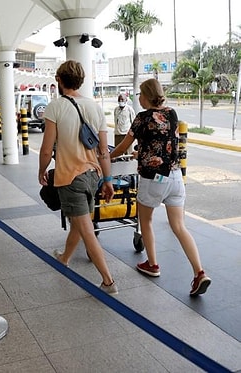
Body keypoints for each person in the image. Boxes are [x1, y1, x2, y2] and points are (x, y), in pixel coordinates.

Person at [110, 78, 211, 296]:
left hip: (152, 179)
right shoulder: (172, 114)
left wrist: (106, 156)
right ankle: (199, 272)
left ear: (146, 96)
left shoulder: (141, 118)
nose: (138, 97)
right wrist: (142, 153)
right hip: (175, 177)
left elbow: (122, 147)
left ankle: (153, 265)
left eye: (140, 94)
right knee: (179, 227)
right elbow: (161, 145)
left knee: (145, 220)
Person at [38, 60, 118, 294]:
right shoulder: (95, 107)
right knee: (79, 222)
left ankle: (108, 281)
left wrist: (41, 170)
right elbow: (104, 151)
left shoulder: (56, 106)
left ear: (60, 81)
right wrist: (108, 179)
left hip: (71, 178)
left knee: (85, 228)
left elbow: (46, 148)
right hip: (93, 176)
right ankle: (64, 258)